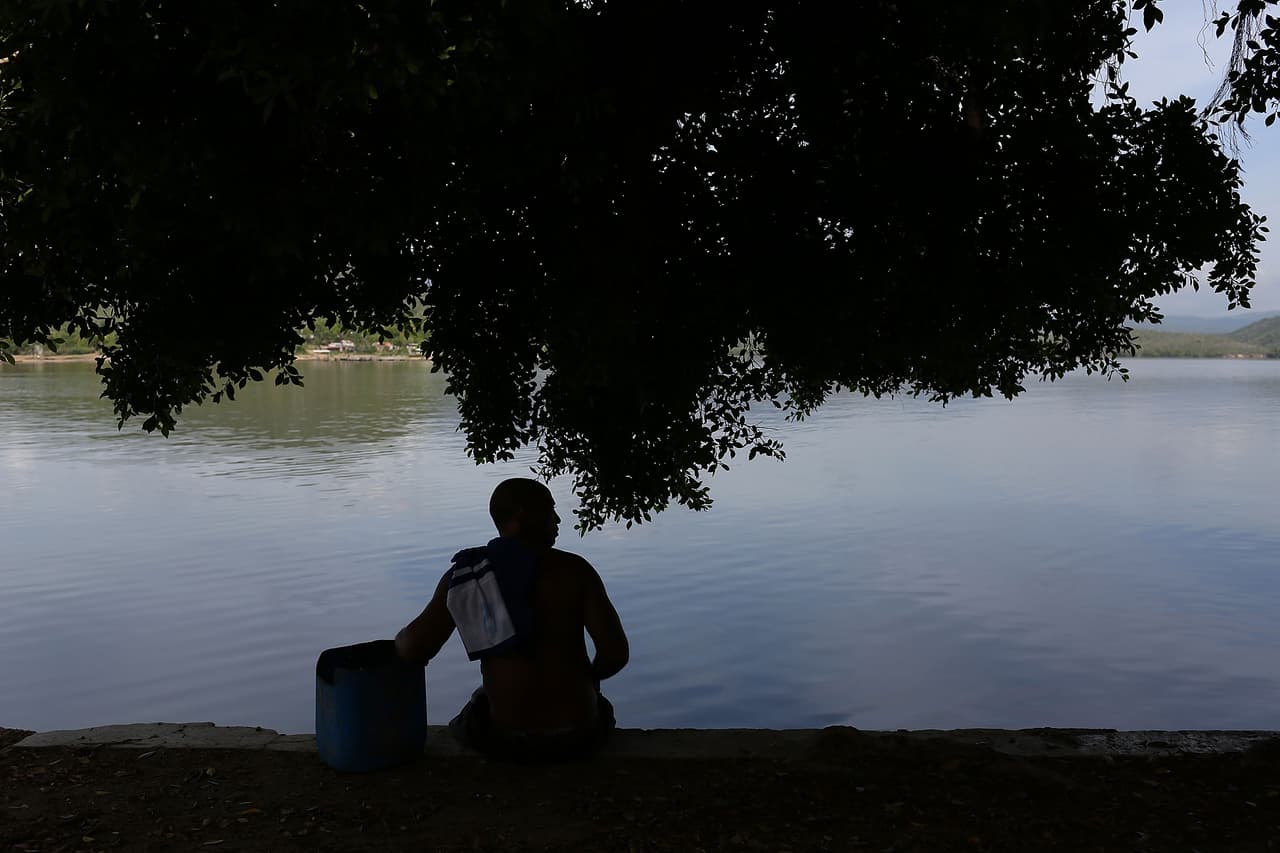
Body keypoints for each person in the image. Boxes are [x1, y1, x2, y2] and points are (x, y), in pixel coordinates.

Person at [394, 477, 629, 762]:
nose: (557, 519)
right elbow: (615, 654)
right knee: (598, 706)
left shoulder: (469, 575)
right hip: (577, 735)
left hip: (505, 738)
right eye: (549, 510)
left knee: (476, 705)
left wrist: (399, 638)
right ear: (521, 514)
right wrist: (586, 679)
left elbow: (413, 649)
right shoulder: (576, 571)